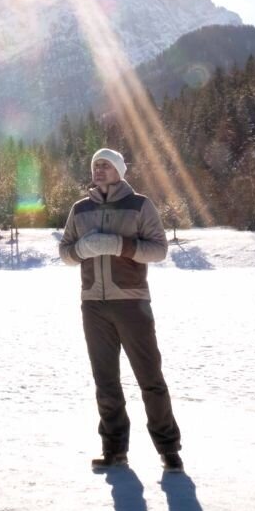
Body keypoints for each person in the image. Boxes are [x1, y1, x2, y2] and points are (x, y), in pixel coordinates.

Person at [59, 147, 184, 473]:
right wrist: (82, 249)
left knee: (150, 379)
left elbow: (159, 250)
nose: (98, 169)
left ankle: (169, 449)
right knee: (106, 382)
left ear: (119, 170)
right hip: (93, 306)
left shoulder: (139, 205)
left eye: (105, 165)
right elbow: (66, 252)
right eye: (95, 165)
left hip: (131, 303)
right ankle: (114, 449)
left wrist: (119, 246)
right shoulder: (80, 209)